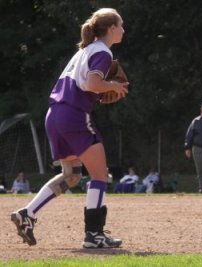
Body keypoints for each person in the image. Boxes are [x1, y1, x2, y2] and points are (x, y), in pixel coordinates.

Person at [10, 8, 128, 248]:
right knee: (99, 175)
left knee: (72, 175)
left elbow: (83, 82)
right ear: (111, 28)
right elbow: (92, 83)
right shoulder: (103, 52)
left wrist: (105, 85)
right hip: (74, 115)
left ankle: (27, 214)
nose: (123, 29)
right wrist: (113, 85)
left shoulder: (83, 51)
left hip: (55, 115)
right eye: (121, 25)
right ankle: (94, 235)